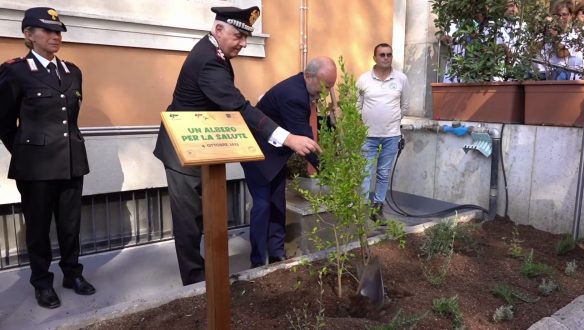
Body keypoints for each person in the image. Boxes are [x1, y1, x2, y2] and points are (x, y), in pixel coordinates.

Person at [153, 6, 321, 285]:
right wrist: (288, 138)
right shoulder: (209, 60)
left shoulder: (216, 54)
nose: (243, 43)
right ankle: (195, 281)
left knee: (205, 213)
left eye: (246, 37)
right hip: (182, 147)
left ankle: (209, 272)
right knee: (189, 220)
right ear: (218, 29)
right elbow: (238, 106)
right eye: (238, 36)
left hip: (202, 143)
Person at [0, 7, 96, 309]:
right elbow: (4, 122)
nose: (56, 36)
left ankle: (72, 273)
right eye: (48, 31)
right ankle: (42, 282)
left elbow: (71, 119)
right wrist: (28, 152)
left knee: (70, 225)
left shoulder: (72, 71)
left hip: (70, 160)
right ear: (29, 35)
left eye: (59, 31)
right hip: (36, 167)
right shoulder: (14, 71)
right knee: (39, 227)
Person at [241, 57, 337, 268]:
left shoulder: (302, 88)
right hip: (257, 154)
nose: (326, 91)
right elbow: (305, 139)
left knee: (278, 203)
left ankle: (276, 254)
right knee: (263, 205)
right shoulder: (294, 95)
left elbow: (303, 129)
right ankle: (257, 262)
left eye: (330, 87)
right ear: (309, 76)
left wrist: (330, 123)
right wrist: (330, 172)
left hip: (275, 155)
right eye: (324, 86)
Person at [357, 43, 409, 219]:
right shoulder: (364, 79)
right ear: (374, 58)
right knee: (365, 172)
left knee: (383, 173)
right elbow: (358, 106)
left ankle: (378, 207)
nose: (386, 58)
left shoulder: (401, 79)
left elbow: (405, 105)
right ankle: (363, 207)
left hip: (391, 136)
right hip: (368, 136)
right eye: (382, 55)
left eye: (389, 55)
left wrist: (391, 122)